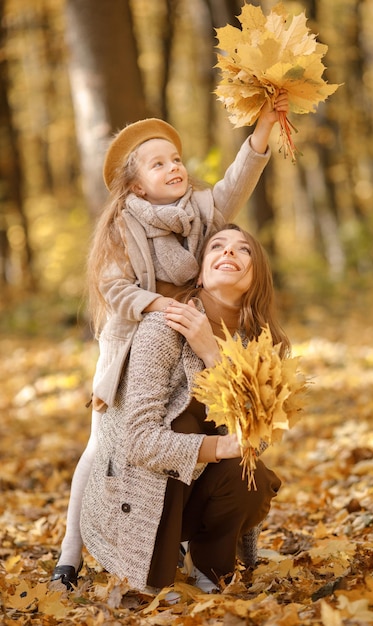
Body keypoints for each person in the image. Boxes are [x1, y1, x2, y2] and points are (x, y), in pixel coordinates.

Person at [51, 92, 289, 589]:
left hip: (189, 330)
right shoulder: (125, 224)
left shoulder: (201, 213)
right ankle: (69, 553)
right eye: (158, 164)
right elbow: (113, 288)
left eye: (176, 159)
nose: (174, 167)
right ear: (136, 183)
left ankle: (198, 538)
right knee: (101, 445)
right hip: (134, 340)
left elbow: (236, 184)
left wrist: (262, 130)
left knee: (196, 418)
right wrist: (158, 306)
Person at [80, 224, 290, 601]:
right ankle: (156, 568)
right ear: (201, 272)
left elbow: (253, 442)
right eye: (217, 248)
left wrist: (212, 353)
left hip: (196, 496)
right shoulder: (163, 326)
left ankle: (209, 567)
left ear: (257, 272)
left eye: (243, 250)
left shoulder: (260, 344)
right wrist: (216, 448)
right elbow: (138, 442)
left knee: (253, 476)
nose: (229, 253)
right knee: (183, 421)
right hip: (134, 499)